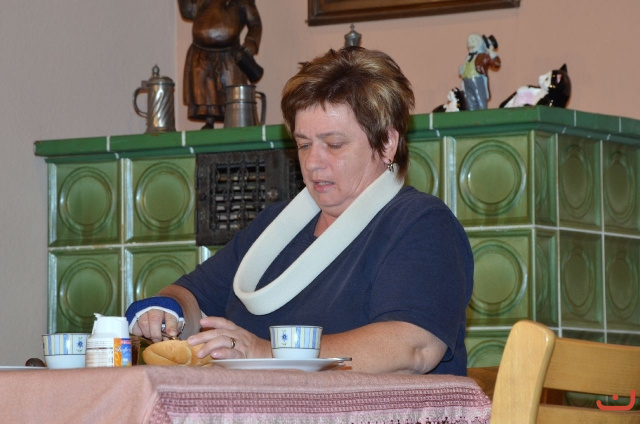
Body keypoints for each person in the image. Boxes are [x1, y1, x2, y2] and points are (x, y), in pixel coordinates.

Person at [126, 47, 474, 375]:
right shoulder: (273, 226)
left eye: (333, 144)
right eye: (304, 144)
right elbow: (191, 295)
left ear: (387, 143)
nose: (312, 162)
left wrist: (264, 353)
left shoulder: (421, 224)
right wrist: (165, 310)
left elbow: (412, 347)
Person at [178, 0, 262, 129]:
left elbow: (255, 24)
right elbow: (188, 11)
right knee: (206, 91)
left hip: (230, 54)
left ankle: (233, 119)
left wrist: (251, 42)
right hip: (201, 54)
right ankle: (209, 120)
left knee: (231, 92)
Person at [459, 33, 500, 110]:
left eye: (473, 41)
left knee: (480, 99)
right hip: (466, 81)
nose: (470, 43)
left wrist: (491, 52)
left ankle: (482, 115)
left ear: (479, 43)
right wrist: (463, 70)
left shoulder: (482, 56)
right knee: (469, 101)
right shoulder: (468, 57)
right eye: (469, 42)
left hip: (477, 80)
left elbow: (496, 63)